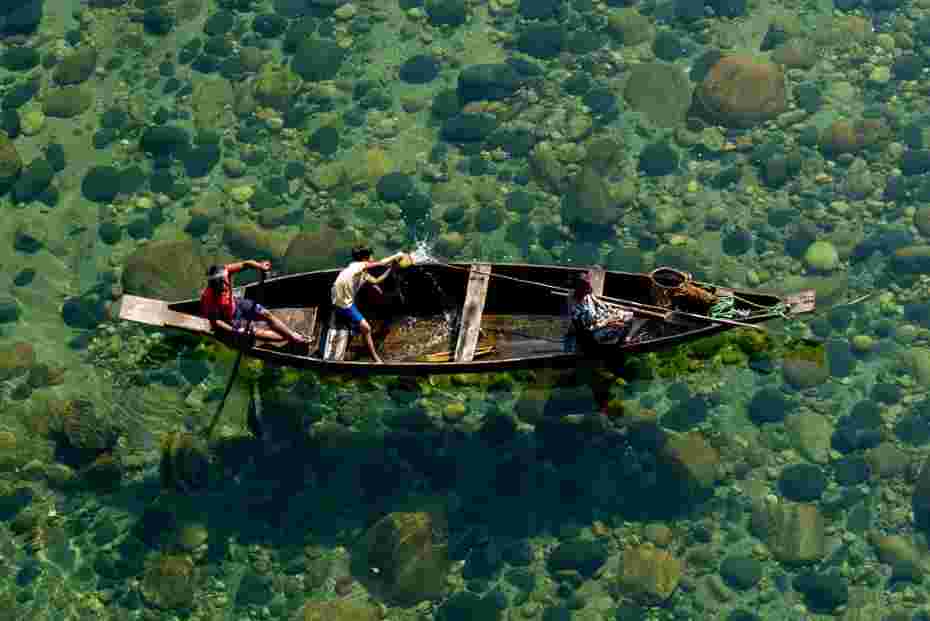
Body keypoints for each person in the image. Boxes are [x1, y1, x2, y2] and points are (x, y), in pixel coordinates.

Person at [201, 260, 309, 347]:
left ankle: (292, 336)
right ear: (214, 284)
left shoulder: (225, 271)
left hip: (236, 304)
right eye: (223, 283)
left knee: (266, 314)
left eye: (226, 280)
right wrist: (235, 330)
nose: (227, 283)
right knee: (252, 333)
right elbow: (216, 322)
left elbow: (245, 264)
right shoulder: (208, 298)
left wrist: (259, 266)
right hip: (228, 319)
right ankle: (290, 338)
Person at [332, 246, 407, 363]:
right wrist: (397, 255)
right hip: (343, 302)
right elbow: (381, 263)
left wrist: (391, 268)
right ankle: (376, 359)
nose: (373, 258)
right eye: (371, 256)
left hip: (340, 297)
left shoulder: (360, 271)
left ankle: (354, 329)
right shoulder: (359, 265)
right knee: (366, 328)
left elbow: (376, 281)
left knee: (359, 324)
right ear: (365, 258)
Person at [569, 273, 635, 350]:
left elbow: (600, 304)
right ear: (579, 288)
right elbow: (585, 330)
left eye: (589, 285)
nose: (590, 288)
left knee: (629, 316)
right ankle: (612, 346)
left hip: (600, 319)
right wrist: (607, 322)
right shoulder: (576, 309)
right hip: (592, 334)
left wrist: (612, 312)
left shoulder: (587, 295)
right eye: (587, 287)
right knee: (621, 326)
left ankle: (620, 339)